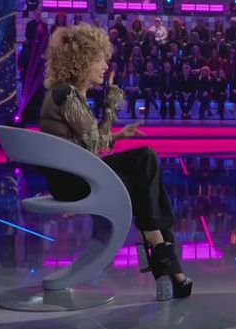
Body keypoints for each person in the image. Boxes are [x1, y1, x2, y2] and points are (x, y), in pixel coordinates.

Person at [39, 23, 192, 300]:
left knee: (145, 164)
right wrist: (111, 104)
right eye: (100, 59)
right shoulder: (66, 94)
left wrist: (119, 135)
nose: (105, 66)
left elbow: (88, 143)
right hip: (73, 181)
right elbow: (93, 145)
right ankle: (160, 252)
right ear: (82, 61)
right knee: (144, 172)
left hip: (78, 173)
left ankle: (159, 250)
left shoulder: (68, 93)